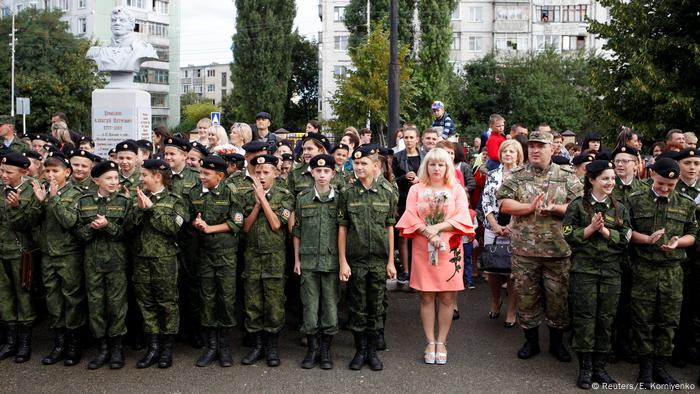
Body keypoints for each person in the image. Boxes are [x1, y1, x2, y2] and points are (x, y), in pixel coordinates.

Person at [497, 130, 583, 362]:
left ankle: (556, 344)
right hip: (525, 251)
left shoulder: (566, 175)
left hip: (558, 250)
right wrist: (529, 207)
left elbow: (580, 208)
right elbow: (504, 204)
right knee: (527, 298)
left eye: (540, 146)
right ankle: (531, 342)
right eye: (532, 146)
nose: (535, 150)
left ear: (552, 149)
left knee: (558, 299)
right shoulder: (517, 174)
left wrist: (555, 209)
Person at [396, 148, 474, 365]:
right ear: (426, 166)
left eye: (441, 164)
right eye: (432, 164)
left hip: (449, 247)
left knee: (448, 297)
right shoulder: (416, 190)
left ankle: (442, 342)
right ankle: (430, 341)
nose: (436, 168)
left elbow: (462, 216)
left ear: (448, 166)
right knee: (427, 296)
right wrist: (427, 232)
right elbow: (410, 215)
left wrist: (438, 227)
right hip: (423, 247)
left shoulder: (456, 189)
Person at [627, 158, 698, 388]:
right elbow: (626, 231)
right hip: (644, 270)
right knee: (643, 320)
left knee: (668, 321)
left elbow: (693, 233)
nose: (665, 188)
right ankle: (645, 369)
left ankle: (660, 367)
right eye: (660, 183)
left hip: (672, 272)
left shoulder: (687, 203)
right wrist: (646, 239)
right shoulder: (635, 200)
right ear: (651, 175)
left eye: (671, 185)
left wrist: (679, 243)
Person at [562, 160, 631, 389]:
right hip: (584, 270)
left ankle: (601, 368)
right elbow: (568, 235)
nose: (610, 182)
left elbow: (626, 238)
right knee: (585, 318)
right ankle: (585, 368)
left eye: (612, 178)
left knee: (605, 319)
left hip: (611, 271)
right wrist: (590, 230)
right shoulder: (578, 206)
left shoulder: (620, 207)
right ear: (592, 180)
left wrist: (605, 231)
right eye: (605, 178)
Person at [338, 145, 398, 371]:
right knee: (357, 306)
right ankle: (359, 350)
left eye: (364, 163)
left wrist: (391, 261)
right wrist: (343, 261)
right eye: (356, 163)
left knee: (376, 307)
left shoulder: (388, 193)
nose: (359, 167)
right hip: (356, 260)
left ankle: (372, 351)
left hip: (379, 261)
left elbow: (389, 227)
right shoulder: (348, 193)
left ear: (376, 165)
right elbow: (342, 228)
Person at [185, 156, 245, 368]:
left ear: (220, 175)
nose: (201, 176)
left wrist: (210, 228)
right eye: (201, 173)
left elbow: (237, 223)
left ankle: (224, 347)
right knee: (207, 299)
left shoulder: (231, 193)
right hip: (203, 255)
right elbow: (189, 217)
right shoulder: (193, 193)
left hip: (226, 255)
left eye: (206, 174)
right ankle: (211, 347)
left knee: (226, 299)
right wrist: (197, 223)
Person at [130, 159, 187, 369]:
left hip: (164, 260)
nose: (141, 178)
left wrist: (152, 209)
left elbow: (174, 227)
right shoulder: (138, 198)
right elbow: (129, 228)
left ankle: (167, 348)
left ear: (157, 176)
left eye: (144, 175)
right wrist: (139, 209)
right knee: (146, 304)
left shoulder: (175, 200)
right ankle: (152, 347)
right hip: (142, 259)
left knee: (167, 303)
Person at [75, 161, 131, 370]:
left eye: (116, 178)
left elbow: (127, 234)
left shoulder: (125, 202)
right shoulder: (84, 202)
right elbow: (78, 234)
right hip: (93, 263)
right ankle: (103, 349)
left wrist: (108, 227)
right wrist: (91, 227)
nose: (114, 182)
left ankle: (117, 350)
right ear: (96, 180)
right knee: (96, 307)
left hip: (116, 263)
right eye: (109, 178)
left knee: (117, 307)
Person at [31, 152, 85, 367]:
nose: (51, 175)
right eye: (48, 171)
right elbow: (32, 220)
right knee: (53, 299)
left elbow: (70, 221)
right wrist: (39, 202)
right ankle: (59, 343)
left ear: (67, 172)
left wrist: (53, 200)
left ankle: (73, 346)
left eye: (56, 171)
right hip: (48, 253)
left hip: (68, 254)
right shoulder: (42, 191)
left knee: (72, 299)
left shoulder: (75, 194)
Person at [240, 155, 294, 367]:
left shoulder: (284, 195)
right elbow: (245, 227)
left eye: (266, 172)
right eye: (258, 172)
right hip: (252, 256)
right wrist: (256, 203)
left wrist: (263, 199)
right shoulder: (247, 195)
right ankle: (257, 346)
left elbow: (276, 224)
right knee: (253, 302)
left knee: (273, 303)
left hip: (274, 258)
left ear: (276, 174)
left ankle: (272, 348)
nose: (261, 176)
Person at [292, 154, 340, 370]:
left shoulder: (340, 198)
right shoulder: (302, 198)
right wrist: (297, 259)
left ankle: (326, 350)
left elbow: (343, 231)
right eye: (318, 171)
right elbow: (297, 230)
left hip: (331, 262)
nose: (322, 175)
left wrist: (343, 261)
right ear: (311, 172)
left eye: (326, 171)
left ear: (333, 173)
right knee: (310, 307)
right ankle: (312, 349)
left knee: (330, 306)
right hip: (309, 261)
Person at [0, 153, 41, 363]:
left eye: (9, 172)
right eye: (1, 171)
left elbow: (31, 222)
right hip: (1, 250)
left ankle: (24, 344)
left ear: (23, 172)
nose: (4, 175)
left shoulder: (32, 190)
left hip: (20, 251)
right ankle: (10, 341)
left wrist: (16, 208)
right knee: (4, 297)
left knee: (23, 296)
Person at [481, 140, 524, 328]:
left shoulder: (524, 176)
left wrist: (512, 225)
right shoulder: (492, 174)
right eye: (505, 151)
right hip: (493, 226)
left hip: (517, 226)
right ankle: (495, 301)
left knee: (512, 272)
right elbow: (486, 202)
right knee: (493, 269)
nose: (508, 154)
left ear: (518, 155)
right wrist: (495, 225)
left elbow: (524, 201)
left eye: (512, 151)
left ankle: (512, 310)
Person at [392, 125, 424, 284]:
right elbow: (391, 180)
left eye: (412, 137)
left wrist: (420, 180)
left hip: (422, 201)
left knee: (419, 236)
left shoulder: (425, 156)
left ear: (418, 139)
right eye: (406, 137)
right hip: (403, 200)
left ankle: (418, 269)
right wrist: (405, 177)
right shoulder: (397, 157)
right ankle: (405, 270)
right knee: (403, 236)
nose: (409, 140)